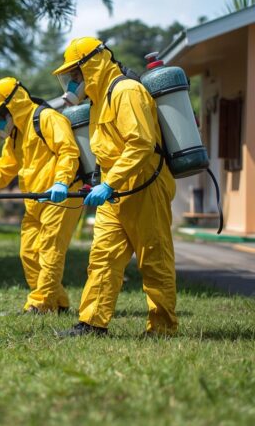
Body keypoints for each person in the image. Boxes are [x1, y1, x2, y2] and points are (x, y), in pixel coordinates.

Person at [52, 37, 177, 337]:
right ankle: (92, 323)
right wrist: (100, 183)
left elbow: (141, 144)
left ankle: (162, 328)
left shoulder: (126, 91)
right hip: (115, 191)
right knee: (102, 258)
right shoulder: (98, 102)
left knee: (154, 258)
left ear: (91, 65)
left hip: (145, 185)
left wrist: (110, 184)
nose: (71, 84)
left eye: (74, 76)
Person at [0, 77, 83, 314]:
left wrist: (61, 182)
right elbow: (4, 168)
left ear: (11, 106)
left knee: (49, 251)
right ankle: (58, 303)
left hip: (62, 196)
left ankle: (39, 304)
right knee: (29, 252)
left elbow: (68, 151)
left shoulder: (47, 118)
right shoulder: (16, 134)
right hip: (36, 199)